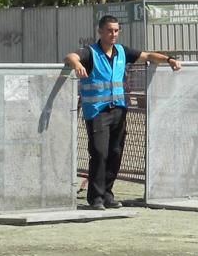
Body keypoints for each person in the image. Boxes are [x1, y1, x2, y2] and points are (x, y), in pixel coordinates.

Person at [65, 15, 181, 210]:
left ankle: (108, 194)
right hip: (97, 112)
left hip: (118, 109)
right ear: (100, 31)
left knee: (115, 153)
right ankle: (95, 198)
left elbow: (147, 56)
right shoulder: (90, 53)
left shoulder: (121, 51)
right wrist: (76, 65)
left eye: (116, 30)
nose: (113, 34)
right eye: (109, 30)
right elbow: (70, 57)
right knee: (99, 153)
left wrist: (169, 60)